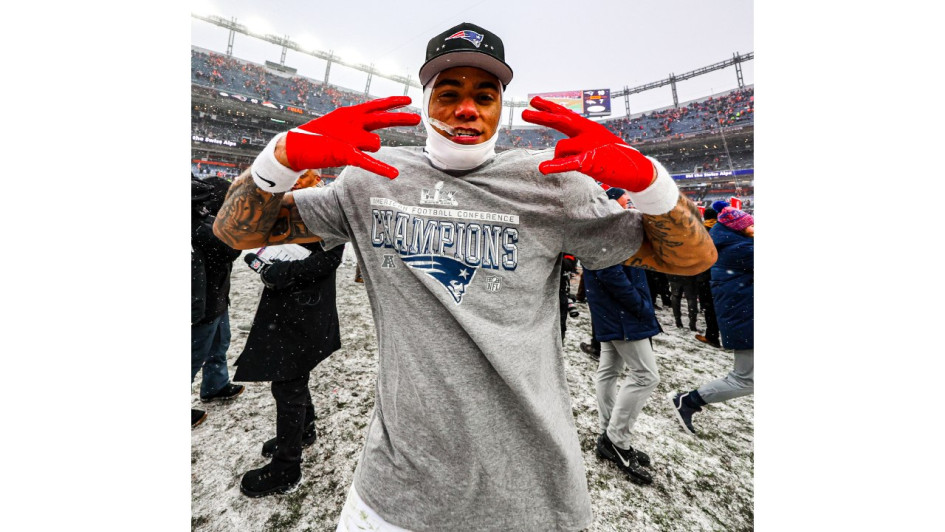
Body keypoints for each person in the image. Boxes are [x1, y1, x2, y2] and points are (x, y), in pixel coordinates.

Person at [213, 22, 716, 531]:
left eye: (485, 95)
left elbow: (690, 260)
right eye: (448, 93)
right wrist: (273, 164)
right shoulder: (371, 179)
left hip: (531, 485)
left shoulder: (551, 185)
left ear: (501, 106)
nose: (467, 109)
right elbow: (237, 232)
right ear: (426, 100)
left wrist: (652, 183)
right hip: (397, 482)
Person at [232, 174, 346, 498]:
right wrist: (263, 259)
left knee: (287, 384)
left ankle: (287, 467)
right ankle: (304, 430)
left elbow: (328, 260)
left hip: (303, 312)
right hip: (289, 308)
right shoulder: (288, 209)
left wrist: (282, 272)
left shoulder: (326, 211)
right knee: (292, 378)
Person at [582, 187, 662, 486]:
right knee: (646, 376)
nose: (631, 204)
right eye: (626, 200)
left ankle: (608, 432)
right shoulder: (609, 227)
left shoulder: (607, 225)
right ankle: (617, 440)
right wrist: (640, 305)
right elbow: (610, 273)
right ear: (610, 202)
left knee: (609, 371)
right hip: (622, 315)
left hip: (613, 313)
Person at [668, 206, 753, 435]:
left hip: (745, 318)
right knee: (745, 380)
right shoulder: (741, 248)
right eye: (749, 224)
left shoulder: (733, 244)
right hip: (746, 321)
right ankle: (690, 401)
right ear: (739, 228)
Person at [191, 175, 244, 427]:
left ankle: (216, 384)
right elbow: (231, 249)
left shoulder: (205, 220)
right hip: (205, 300)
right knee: (193, 355)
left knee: (219, 344)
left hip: (217, 297)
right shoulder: (201, 225)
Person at [694, 207, 721, 348]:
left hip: (705, 274)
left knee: (709, 307)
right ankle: (724, 334)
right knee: (720, 305)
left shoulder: (700, 231)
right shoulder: (723, 230)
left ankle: (712, 336)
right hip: (720, 273)